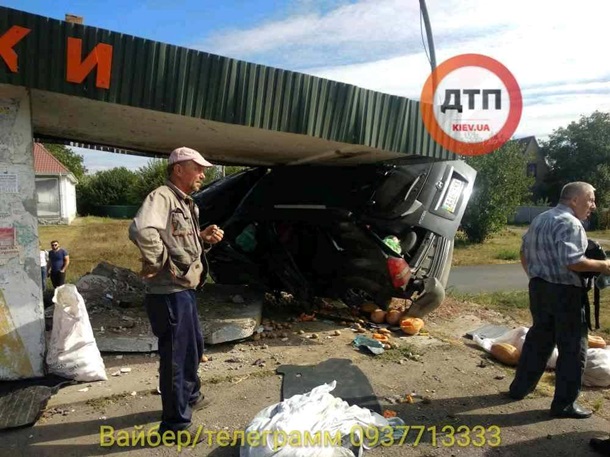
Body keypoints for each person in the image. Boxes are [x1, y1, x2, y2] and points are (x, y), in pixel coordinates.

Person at [129, 146, 223, 441]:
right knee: (176, 358)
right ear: (179, 169)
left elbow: (181, 243)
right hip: (168, 293)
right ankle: (175, 426)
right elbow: (141, 230)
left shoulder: (186, 204)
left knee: (193, 347)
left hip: (184, 290)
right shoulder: (162, 197)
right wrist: (161, 262)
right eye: (198, 168)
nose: (202, 174)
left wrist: (203, 239)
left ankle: (190, 396)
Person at [508, 182, 610, 419]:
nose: (593, 206)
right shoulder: (571, 223)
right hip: (566, 293)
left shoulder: (541, 219)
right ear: (574, 200)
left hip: (539, 289)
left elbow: (523, 252)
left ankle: (519, 389)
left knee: (538, 340)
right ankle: (564, 404)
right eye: (591, 199)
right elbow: (574, 261)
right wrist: (604, 266)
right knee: (573, 349)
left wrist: (535, 276)